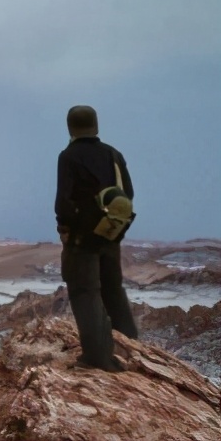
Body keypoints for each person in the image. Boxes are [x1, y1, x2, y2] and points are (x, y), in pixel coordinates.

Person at [55, 105, 138, 372]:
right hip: (110, 234)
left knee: (85, 291)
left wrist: (65, 228)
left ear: (70, 128)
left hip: (82, 239)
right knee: (113, 290)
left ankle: (98, 357)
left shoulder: (68, 156)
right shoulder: (113, 154)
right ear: (96, 126)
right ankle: (132, 349)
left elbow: (64, 202)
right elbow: (129, 192)